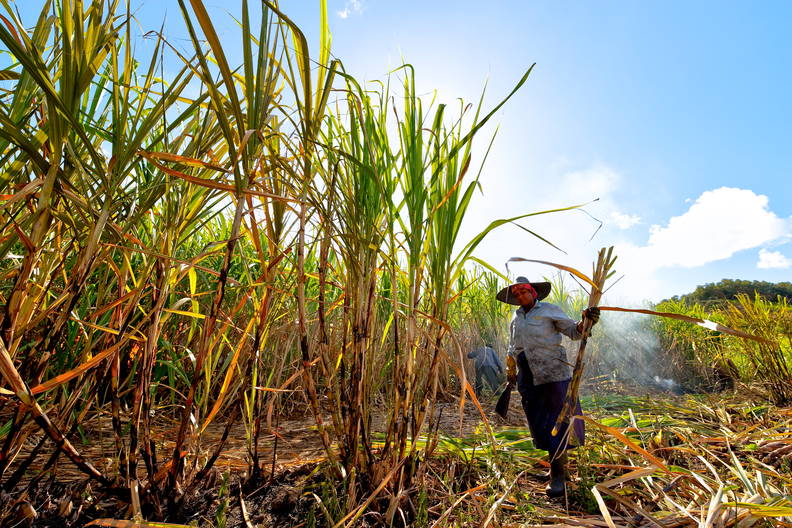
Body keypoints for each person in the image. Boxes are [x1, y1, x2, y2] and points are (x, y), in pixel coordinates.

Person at [497, 276, 600, 497]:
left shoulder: (549, 310)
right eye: (517, 294)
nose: (521, 296)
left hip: (553, 374)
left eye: (524, 291)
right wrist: (511, 372)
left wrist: (586, 321)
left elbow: (575, 332)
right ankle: (557, 468)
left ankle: (559, 476)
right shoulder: (515, 319)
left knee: (558, 422)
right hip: (528, 378)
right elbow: (513, 347)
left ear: (533, 292)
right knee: (540, 423)